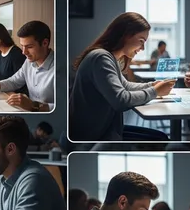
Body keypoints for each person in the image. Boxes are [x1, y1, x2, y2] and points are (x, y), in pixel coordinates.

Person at [69, 12, 175, 141]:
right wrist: (155, 91)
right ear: (125, 35)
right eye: (141, 41)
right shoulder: (101, 58)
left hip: (104, 130)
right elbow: (121, 100)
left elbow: (125, 86)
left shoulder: (109, 58)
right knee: (161, 139)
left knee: (161, 137)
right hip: (92, 137)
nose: (142, 48)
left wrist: (152, 85)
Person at [0, 21, 56, 111]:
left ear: (45, 43)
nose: (24, 52)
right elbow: (14, 81)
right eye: (22, 46)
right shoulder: (29, 61)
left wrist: (34, 105)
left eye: (29, 47)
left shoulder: (60, 68)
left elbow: (64, 107)